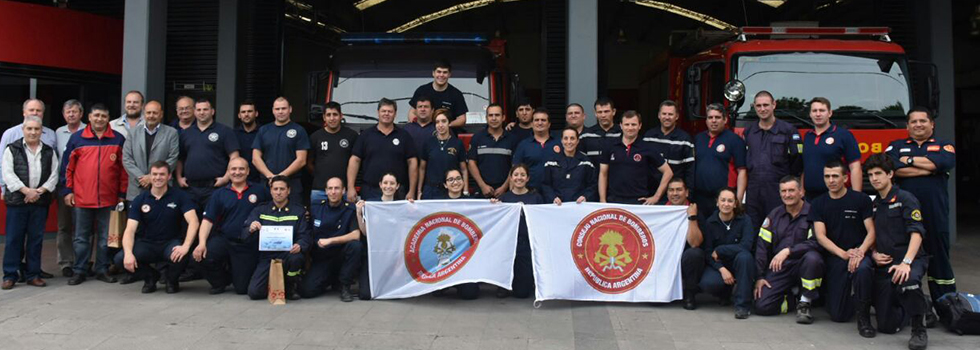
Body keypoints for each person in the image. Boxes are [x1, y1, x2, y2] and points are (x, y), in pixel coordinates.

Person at [885, 107, 956, 315]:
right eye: (913, 122)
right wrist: (929, 167)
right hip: (904, 214)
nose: (918, 125)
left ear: (932, 124)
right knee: (905, 257)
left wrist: (907, 163)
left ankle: (946, 306)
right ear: (907, 126)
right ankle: (911, 308)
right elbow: (892, 166)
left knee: (939, 260)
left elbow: (944, 162)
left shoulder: (945, 145)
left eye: (922, 121)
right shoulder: (895, 146)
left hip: (935, 213)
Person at [862, 153, 929, 349]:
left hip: (910, 260)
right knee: (886, 326)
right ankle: (915, 305)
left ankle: (919, 329)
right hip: (886, 264)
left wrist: (906, 263)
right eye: (871, 175)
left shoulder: (906, 199)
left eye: (878, 174)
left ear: (890, 174)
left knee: (907, 281)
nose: (874, 178)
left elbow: (917, 233)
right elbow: (872, 235)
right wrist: (873, 254)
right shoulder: (875, 204)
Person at [61, 103, 127, 285]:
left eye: (103, 116)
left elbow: (124, 170)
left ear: (108, 118)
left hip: (109, 198)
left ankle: (102, 269)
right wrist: (68, 191)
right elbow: (67, 168)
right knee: (81, 238)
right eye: (96, 115)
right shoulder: (77, 138)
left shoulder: (118, 139)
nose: (99, 119)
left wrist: (122, 193)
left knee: (106, 238)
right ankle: (80, 270)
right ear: (89, 117)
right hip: (82, 198)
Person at [808, 159, 875, 326]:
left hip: (860, 254)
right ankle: (862, 299)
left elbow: (872, 232)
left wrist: (860, 252)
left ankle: (864, 313)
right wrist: (843, 254)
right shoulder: (818, 203)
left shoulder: (861, 200)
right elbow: (821, 236)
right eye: (827, 176)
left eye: (835, 176)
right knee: (838, 315)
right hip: (836, 256)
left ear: (845, 178)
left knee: (863, 270)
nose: (831, 180)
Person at [115, 161, 198, 294]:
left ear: (169, 176)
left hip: (170, 243)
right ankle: (150, 277)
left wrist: (186, 246)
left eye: (162, 174)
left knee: (183, 254)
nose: (158, 177)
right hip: (146, 244)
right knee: (120, 259)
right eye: (154, 174)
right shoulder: (140, 199)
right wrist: (129, 254)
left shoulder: (180, 196)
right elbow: (130, 230)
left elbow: (193, 221)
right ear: (150, 176)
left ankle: (171, 280)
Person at [194, 157, 269, 295]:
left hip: (247, 243)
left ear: (248, 171)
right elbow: (207, 220)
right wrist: (202, 243)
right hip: (225, 239)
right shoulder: (219, 194)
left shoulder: (260, 190)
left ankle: (236, 276)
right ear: (228, 172)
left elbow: (273, 209)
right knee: (201, 256)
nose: (237, 172)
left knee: (242, 289)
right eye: (233, 169)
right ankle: (221, 282)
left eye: (241, 169)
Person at [753, 176, 823, 323]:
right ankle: (792, 300)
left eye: (791, 190)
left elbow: (817, 242)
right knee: (762, 306)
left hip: (803, 264)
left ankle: (805, 302)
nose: (787, 195)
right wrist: (760, 276)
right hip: (780, 267)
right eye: (783, 191)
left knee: (813, 258)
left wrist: (789, 251)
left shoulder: (813, 213)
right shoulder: (774, 215)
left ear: (801, 192)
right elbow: (762, 247)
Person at [2, 116, 59, 289]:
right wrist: (26, 191)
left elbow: (54, 174)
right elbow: (8, 174)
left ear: (41, 131)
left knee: (36, 239)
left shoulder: (49, 151)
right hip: (18, 202)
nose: (33, 132)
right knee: (13, 240)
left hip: (39, 202)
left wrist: (39, 191)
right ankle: (10, 275)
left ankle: (33, 275)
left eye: (36, 129)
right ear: (23, 130)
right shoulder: (12, 149)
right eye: (30, 129)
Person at [683, 187, 755, 318]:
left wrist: (721, 250)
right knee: (708, 284)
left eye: (730, 201)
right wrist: (722, 269)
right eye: (723, 200)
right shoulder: (710, 222)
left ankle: (742, 307)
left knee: (745, 257)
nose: (726, 204)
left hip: (738, 262)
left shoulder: (745, 220)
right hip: (719, 265)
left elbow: (746, 246)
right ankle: (724, 293)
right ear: (717, 202)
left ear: (735, 204)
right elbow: (708, 252)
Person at [244, 175, 311, 301]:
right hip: (267, 257)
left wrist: (300, 245)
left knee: (296, 259)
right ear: (270, 191)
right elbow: (245, 234)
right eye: (275, 189)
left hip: (289, 254)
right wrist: (251, 228)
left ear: (288, 190)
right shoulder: (260, 210)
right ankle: (274, 285)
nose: (278, 192)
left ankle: (291, 285)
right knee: (254, 293)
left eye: (282, 189)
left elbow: (305, 234)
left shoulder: (298, 211)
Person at [743, 91, 802, 231]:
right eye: (758, 106)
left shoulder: (788, 130)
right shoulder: (749, 132)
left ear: (774, 105)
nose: (762, 109)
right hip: (753, 191)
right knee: (753, 228)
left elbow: (797, 162)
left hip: (778, 190)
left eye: (766, 105)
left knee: (778, 228)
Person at [299, 177, 362, 302]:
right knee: (306, 291)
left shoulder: (350, 209)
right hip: (322, 258)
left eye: (337, 188)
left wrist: (331, 240)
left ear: (343, 191)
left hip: (341, 256)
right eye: (330, 188)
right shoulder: (316, 208)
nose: (333, 192)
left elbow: (356, 235)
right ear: (326, 191)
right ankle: (330, 279)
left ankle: (345, 286)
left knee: (356, 246)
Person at [347, 98, 418, 201]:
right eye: (383, 111)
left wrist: (411, 191)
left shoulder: (404, 136)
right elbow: (355, 160)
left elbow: (412, 162)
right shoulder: (366, 135)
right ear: (378, 112)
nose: (386, 114)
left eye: (390, 111)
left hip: (397, 191)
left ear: (395, 114)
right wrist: (350, 187)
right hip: (370, 191)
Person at [176, 98, 239, 210]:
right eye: (199, 110)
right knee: (190, 223)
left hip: (215, 187)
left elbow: (234, 157)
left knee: (214, 223)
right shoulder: (186, 134)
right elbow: (180, 158)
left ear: (212, 111)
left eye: (205, 109)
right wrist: (179, 178)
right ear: (195, 112)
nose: (202, 112)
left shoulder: (224, 131)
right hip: (190, 188)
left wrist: (226, 178)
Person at [599, 111, 672, 205]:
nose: (630, 128)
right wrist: (602, 200)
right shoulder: (609, 145)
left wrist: (656, 197)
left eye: (633, 124)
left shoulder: (648, 147)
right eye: (627, 124)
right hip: (614, 201)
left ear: (640, 126)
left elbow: (668, 172)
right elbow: (603, 173)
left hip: (638, 202)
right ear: (621, 125)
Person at [494, 164, 542, 299]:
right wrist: (492, 205)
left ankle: (524, 281)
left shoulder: (536, 198)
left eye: (522, 175)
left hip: (526, 245)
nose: (519, 178)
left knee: (521, 293)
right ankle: (503, 284)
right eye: (516, 175)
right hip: (508, 244)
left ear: (528, 178)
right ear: (511, 178)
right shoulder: (503, 199)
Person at [693, 104, 746, 219]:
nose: (713, 121)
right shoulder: (698, 138)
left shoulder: (735, 140)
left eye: (717, 117)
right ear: (706, 120)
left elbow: (742, 171)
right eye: (710, 117)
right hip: (700, 198)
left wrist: (739, 199)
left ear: (725, 119)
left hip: (724, 199)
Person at [802, 97, 861, 200]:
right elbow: (804, 166)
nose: (818, 114)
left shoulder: (844, 135)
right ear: (810, 114)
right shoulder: (807, 136)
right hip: (810, 198)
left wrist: (856, 198)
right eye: (814, 111)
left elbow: (855, 168)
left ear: (830, 113)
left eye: (822, 110)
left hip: (836, 197)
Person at [252, 97, 310, 203]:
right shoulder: (263, 130)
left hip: (292, 184)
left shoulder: (299, 130)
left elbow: (301, 160)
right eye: (277, 109)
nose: (280, 112)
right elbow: (255, 158)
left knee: (292, 217)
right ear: (273, 110)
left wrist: (280, 177)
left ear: (290, 109)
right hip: (267, 183)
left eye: (284, 108)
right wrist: (270, 176)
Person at [355, 173, 402, 300]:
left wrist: (412, 206)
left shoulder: (402, 206)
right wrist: (359, 213)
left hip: (393, 254)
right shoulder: (371, 205)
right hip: (374, 254)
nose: (388, 186)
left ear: (397, 186)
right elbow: (365, 232)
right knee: (365, 295)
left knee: (396, 293)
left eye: (392, 183)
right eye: (385, 183)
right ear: (380, 185)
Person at [122, 101, 179, 201]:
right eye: (148, 113)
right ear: (144, 114)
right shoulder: (133, 133)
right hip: (137, 188)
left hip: (162, 189)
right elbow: (127, 159)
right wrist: (142, 178)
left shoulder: (171, 133)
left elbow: (173, 158)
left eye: (155, 113)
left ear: (161, 114)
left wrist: (152, 177)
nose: (151, 116)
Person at [54, 100, 85, 277]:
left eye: (74, 111)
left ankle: (83, 260)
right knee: (64, 226)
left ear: (81, 114)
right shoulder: (58, 132)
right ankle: (66, 262)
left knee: (83, 226)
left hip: (84, 187)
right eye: (68, 112)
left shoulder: (88, 131)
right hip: (64, 186)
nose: (71, 115)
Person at [0, 99, 57, 192]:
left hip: (42, 195)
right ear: (24, 112)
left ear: (43, 113)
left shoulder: (51, 134)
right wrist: (3, 188)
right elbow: (2, 163)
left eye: (38, 110)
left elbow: (53, 165)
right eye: (31, 110)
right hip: (16, 193)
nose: (35, 113)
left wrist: (47, 189)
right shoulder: (10, 134)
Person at [308, 101, 358, 203]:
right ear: (324, 117)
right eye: (328, 115)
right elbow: (308, 162)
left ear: (341, 116)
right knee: (318, 219)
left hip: (344, 191)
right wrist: (319, 175)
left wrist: (351, 187)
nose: (332, 118)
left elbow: (357, 162)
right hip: (320, 190)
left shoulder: (352, 136)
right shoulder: (315, 137)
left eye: (335, 114)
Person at [643, 100, 694, 195]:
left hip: (674, 194)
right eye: (664, 114)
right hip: (650, 193)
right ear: (659, 115)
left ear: (677, 116)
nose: (667, 117)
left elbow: (689, 170)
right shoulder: (648, 137)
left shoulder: (685, 139)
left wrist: (689, 195)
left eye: (670, 114)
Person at [467, 103, 518, 198]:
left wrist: (504, 187)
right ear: (486, 118)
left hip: (505, 192)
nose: (494, 118)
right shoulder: (477, 138)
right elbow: (471, 163)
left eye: (497, 115)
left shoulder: (512, 139)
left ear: (503, 117)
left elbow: (515, 166)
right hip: (481, 191)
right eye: (490, 115)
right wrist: (483, 186)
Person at [668, 178, 704, 310]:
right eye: (671, 190)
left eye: (679, 190)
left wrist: (692, 218)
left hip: (686, 259)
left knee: (695, 254)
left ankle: (689, 294)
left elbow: (695, 243)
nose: (675, 193)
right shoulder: (659, 210)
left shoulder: (696, 211)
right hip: (665, 258)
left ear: (687, 193)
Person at [419, 109, 467, 199]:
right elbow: (422, 168)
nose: (440, 125)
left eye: (444, 121)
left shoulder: (458, 143)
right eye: (437, 122)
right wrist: (419, 191)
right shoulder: (428, 143)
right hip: (431, 191)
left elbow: (464, 169)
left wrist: (466, 190)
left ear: (449, 123)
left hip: (451, 190)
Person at [541, 127, 596, 204]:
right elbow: (545, 185)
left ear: (577, 141)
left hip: (579, 207)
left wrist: (585, 196)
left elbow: (592, 185)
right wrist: (552, 197)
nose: (569, 142)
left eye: (572, 138)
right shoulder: (551, 162)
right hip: (557, 207)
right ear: (561, 141)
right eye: (566, 138)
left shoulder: (586, 162)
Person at [409, 60, 468, 130]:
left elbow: (462, 119)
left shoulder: (456, 94)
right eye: (439, 72)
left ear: (449, 74)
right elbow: (412, 113)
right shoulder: (422, 90)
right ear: (433, 73)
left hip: (447, 136)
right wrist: (416, 127)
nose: (441, 75)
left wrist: (445, 125)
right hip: (424, 134)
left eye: (445, 72)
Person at [512, 108, 561, 191]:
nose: (540, 123)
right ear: (532, 123)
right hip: (530, 193)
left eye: (543, 120)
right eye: (536, 120)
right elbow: (515, 169)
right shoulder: (523, 145)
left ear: (549, 124)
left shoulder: (559, 143)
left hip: (555, 193)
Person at [579, 98, 621, 166]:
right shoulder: (585, 135)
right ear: (595, 113)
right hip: (592, 175)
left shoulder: (622, 134)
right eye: (600, 112)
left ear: (614, 112)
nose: (603, 115)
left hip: (617, 175)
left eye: (606, 111)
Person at [235, 100, 261, 183]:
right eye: (243, 112)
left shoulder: (264, 132)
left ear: (256, 113)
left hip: (260, 179)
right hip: (238, 177)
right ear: (239, 115)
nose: (246, 114)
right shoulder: (232, 134)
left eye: (249, 111)